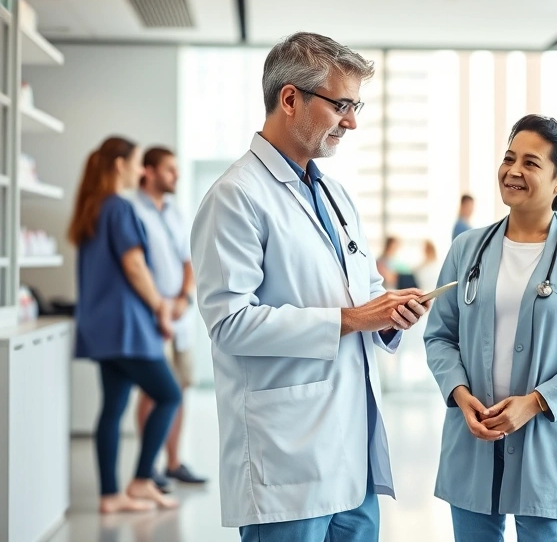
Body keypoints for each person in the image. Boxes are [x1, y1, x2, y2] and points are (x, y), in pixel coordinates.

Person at [190, 32, 430, 542]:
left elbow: (364, 287)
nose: (352, 121)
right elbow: (230, 324)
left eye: (356, 105)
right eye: (341, 104)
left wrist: (390, 312)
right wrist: (352, 319)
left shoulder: (336, 194)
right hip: (287, 462)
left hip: (353, 456)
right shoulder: (236, 197)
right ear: (290, 98)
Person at [424, 115, 557, 542]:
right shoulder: (467, 249)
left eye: (531, 163)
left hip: (546, 441)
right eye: (508, 158)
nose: (513, 171)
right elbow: (440, 335)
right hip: (472, 433)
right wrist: (461, 397)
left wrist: (534, 402)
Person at [68, 136, 181, 513]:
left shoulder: (93, 209)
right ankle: (141, 481)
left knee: (113, 408)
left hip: (101, 328)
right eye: (135, 162)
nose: (139, 170)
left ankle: (110, 495)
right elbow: (134, 266)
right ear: (119, 165)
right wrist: (161, 308)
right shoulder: (118, 207)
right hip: (128, 327)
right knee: (170, 395)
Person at [131, 147, 206, 488]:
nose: (175, 176)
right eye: (169, 170)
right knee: (153, 390)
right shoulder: (131, 209)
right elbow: (133, 266)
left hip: (180, 315)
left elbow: (187, 260)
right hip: (149, 316)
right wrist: (160, 304)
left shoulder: (175, 211)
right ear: (148, 171)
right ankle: (149, 468)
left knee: (180, 387)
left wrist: (184, 297)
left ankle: (174, 462)